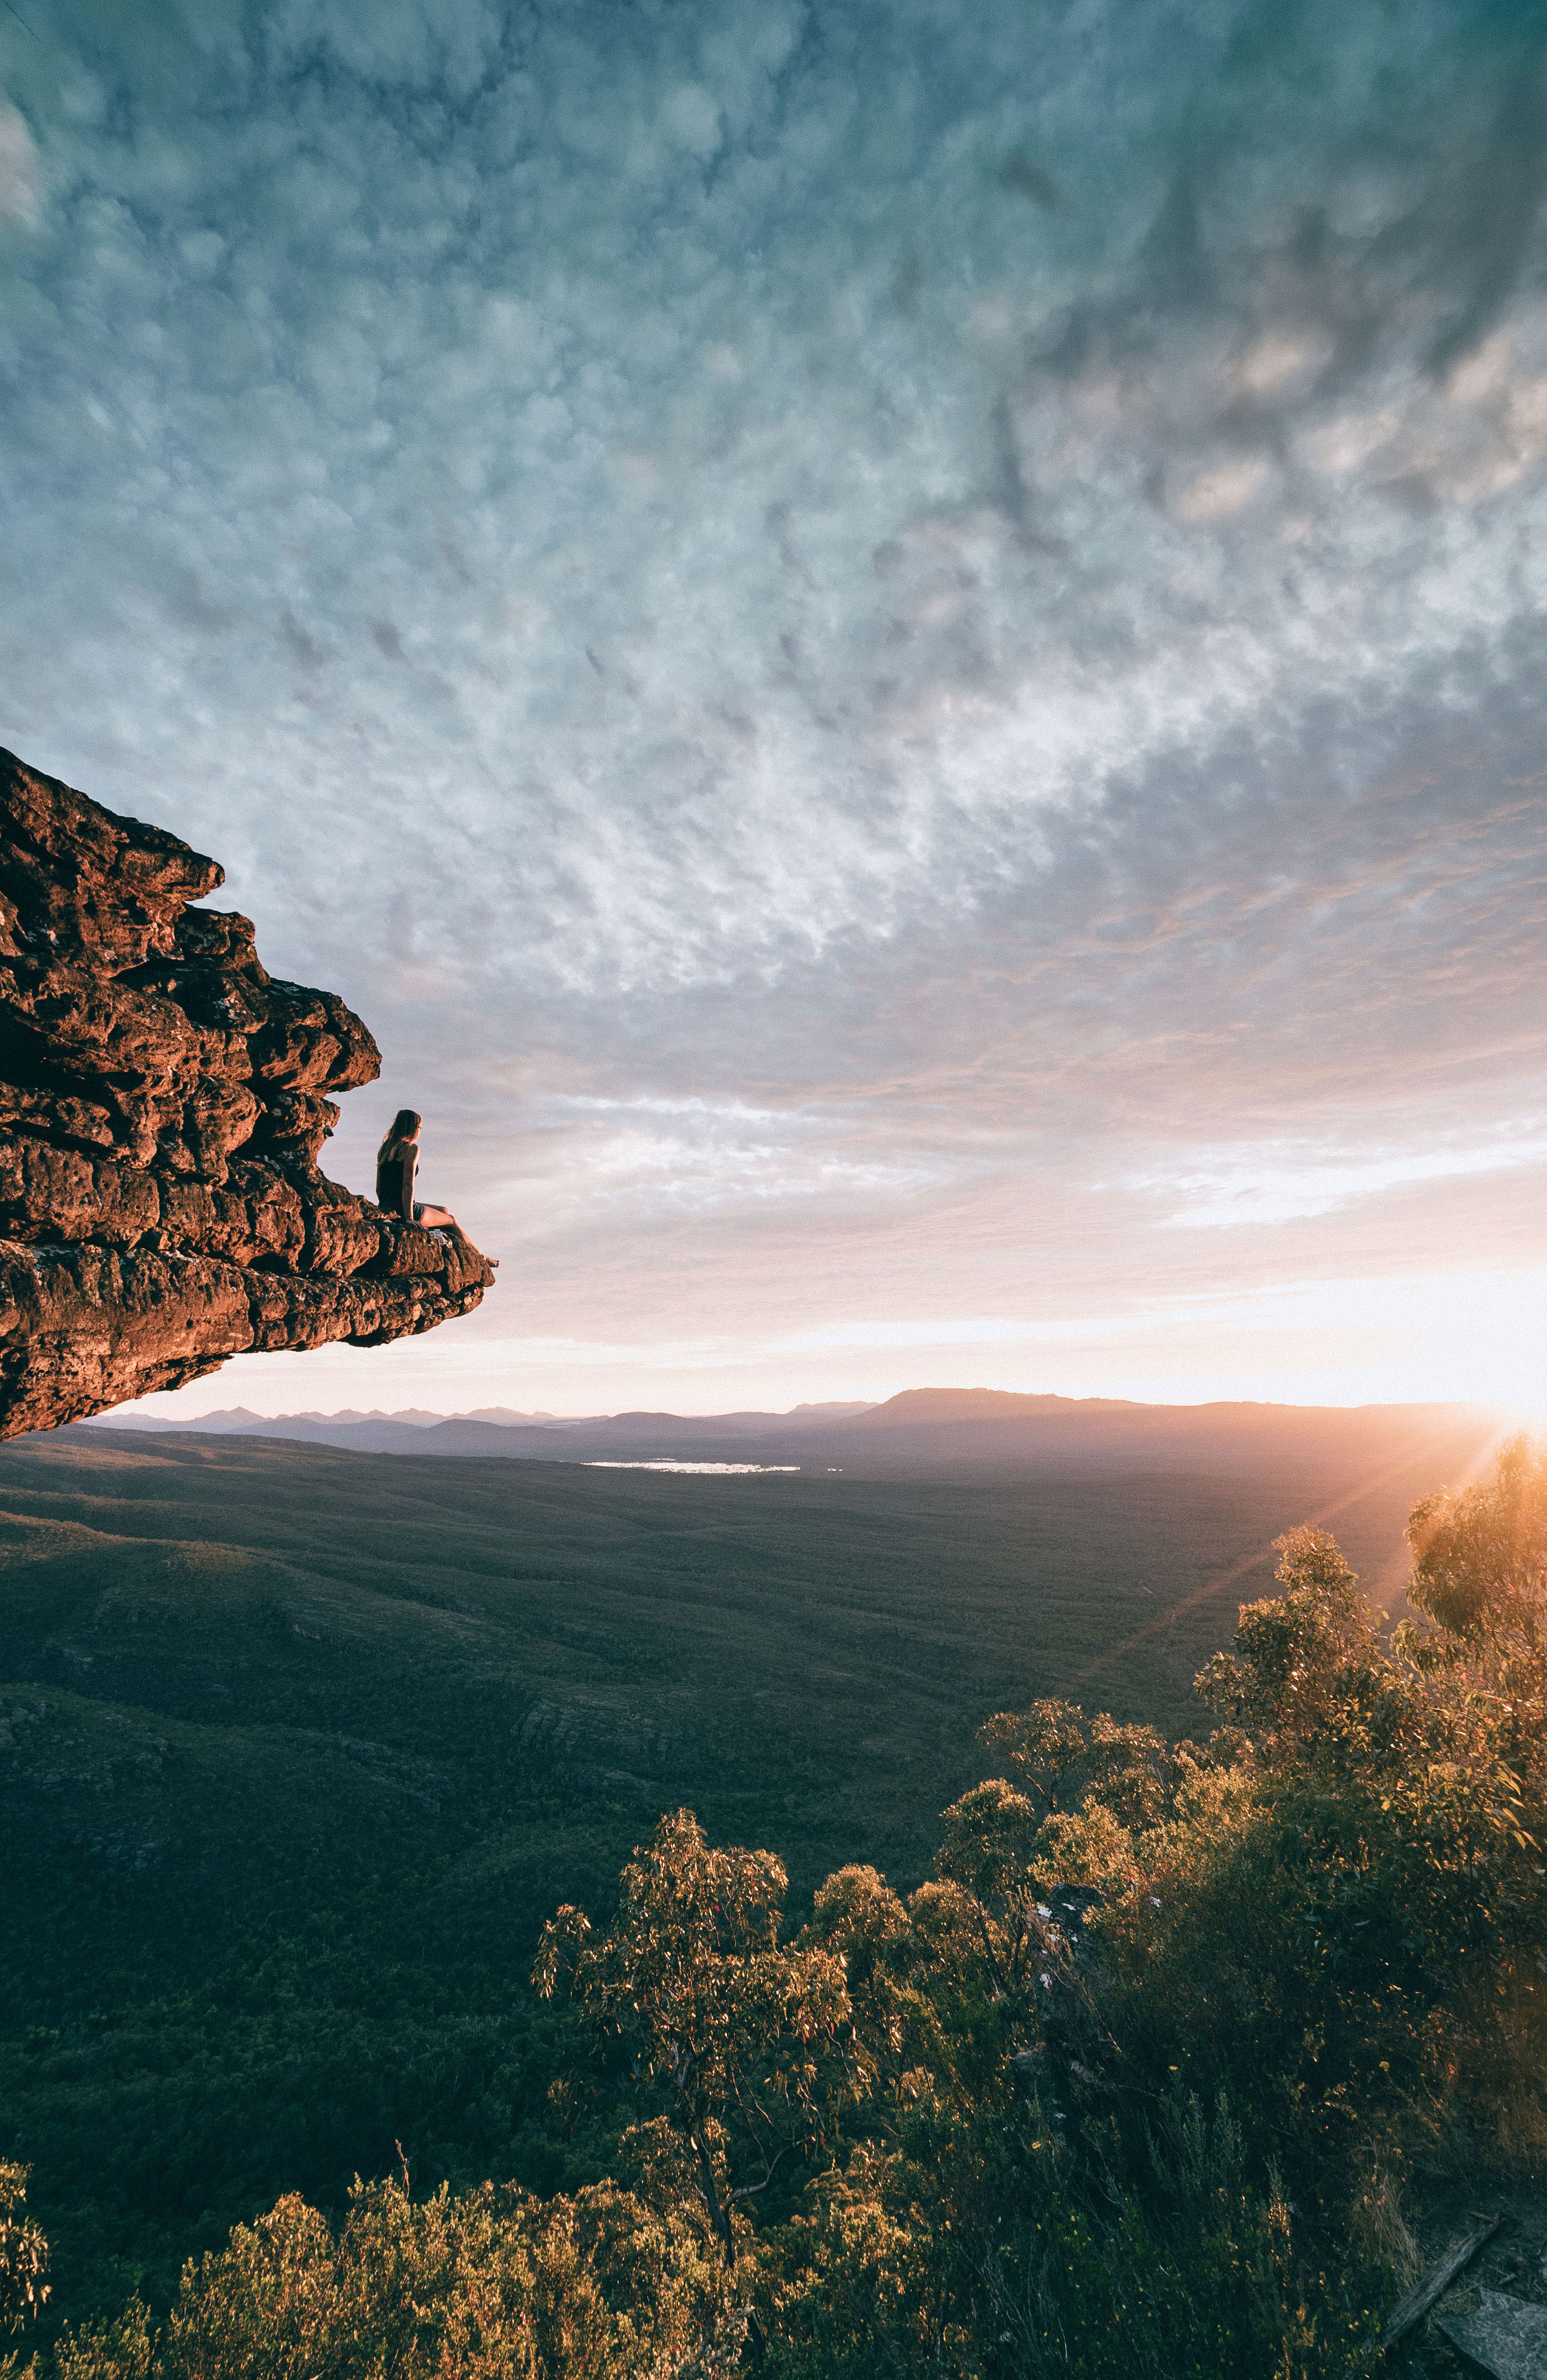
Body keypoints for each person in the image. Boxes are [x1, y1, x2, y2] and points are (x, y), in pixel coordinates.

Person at [375, 1109, 457, 1230]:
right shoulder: (411, 1149)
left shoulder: (384, 1150)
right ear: (414, 1128)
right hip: (404, 1209)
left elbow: (379, 1188)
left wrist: (385, 1208)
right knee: (451, 1221)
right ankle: (472, 1250)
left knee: (443, 1211)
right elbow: (407, 1185)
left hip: (385, 1205)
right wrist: (409, 1217)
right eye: (420, 1127)